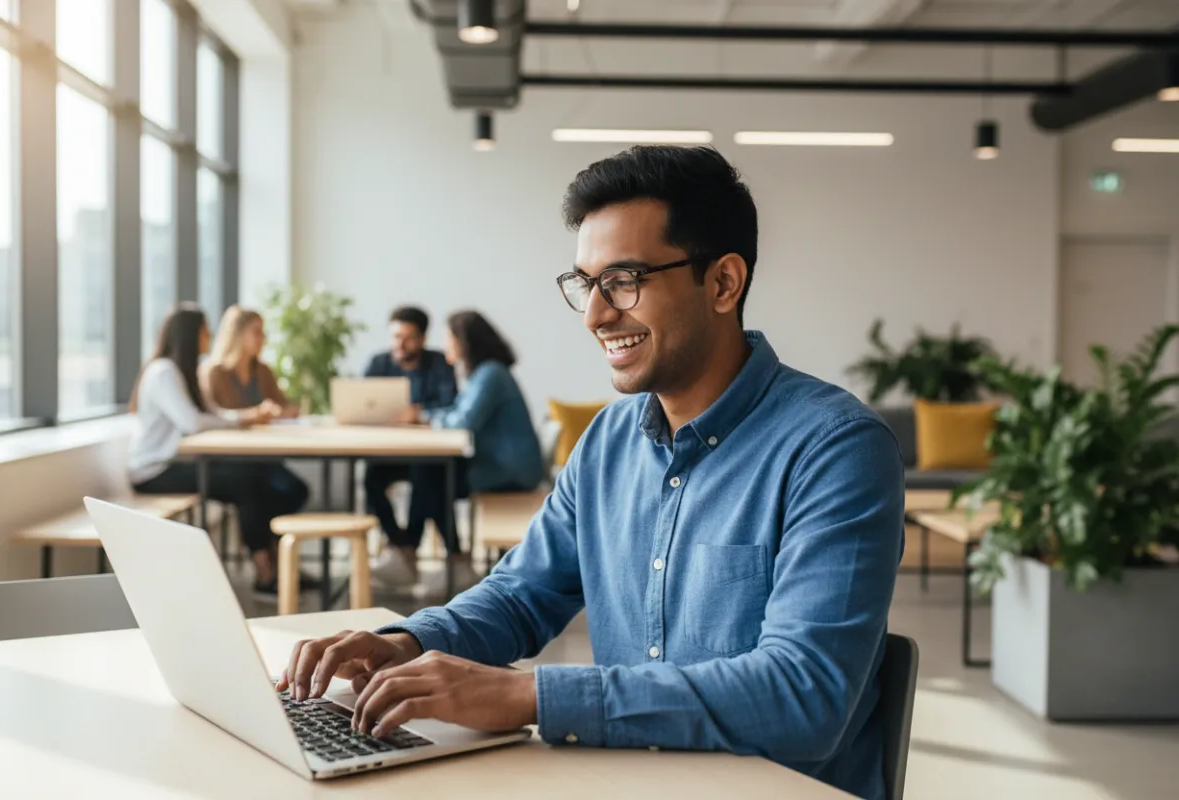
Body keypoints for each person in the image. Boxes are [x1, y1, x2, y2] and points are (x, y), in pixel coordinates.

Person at [277, 147, 904, 800]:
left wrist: (529, 695)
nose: (595, 315)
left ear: (722, 283)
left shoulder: (836, 449)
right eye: (586, 283)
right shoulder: (607, 440)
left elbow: (803, 695)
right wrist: (406, 642)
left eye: (625, 281)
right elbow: (523, 596)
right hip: (628, 779)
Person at [129, 303, 309, 596]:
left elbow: (211, 413)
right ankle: (265, 570)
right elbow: (192, 422)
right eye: (204, 330)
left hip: (176, 463)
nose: (209, 336)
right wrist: (243, 417)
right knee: (246, 482)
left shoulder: (182, 371)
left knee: (256, 480)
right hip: (154, 471)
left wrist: (244, 416)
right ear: (190, 335)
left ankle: (271, 564)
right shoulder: (164, 372)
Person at [390, 310, 544, 592]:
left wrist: (424, 418)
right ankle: (439, 556)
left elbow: (462, 421)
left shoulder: (491, 374)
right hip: (500, 465)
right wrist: (426, 415)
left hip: (511, 471)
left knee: (431, 475)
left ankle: (437, 557)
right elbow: (458, 411)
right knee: (428, 472)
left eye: (450, 338)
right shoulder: (486, 373)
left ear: (464, 341)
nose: (446, 345)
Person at [361, 306, 458, 587]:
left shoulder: (439, 363)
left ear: (422, 338)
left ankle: (406, 551)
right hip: (387, 452)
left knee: (427, 475)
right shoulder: (378, 363)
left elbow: (450, 404)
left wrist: (418, 414)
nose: (399, 344)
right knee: (370, 479)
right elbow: (361, 404)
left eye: (407, 337)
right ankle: (400, 544)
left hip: (426, 453)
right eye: (395, 337)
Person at [200, 305, 311, 526]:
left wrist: (282, 412)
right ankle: (266, 552)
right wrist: (253, 415)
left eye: (263, 332)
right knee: (252, 489)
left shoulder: (262, 371)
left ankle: (267, 544)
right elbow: (213, 417)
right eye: (257, 332)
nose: (263, 338)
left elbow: (285, 407)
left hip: (264, 456)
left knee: (296, 490)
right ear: (237, 334)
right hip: (232, 458)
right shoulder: (214, 373)